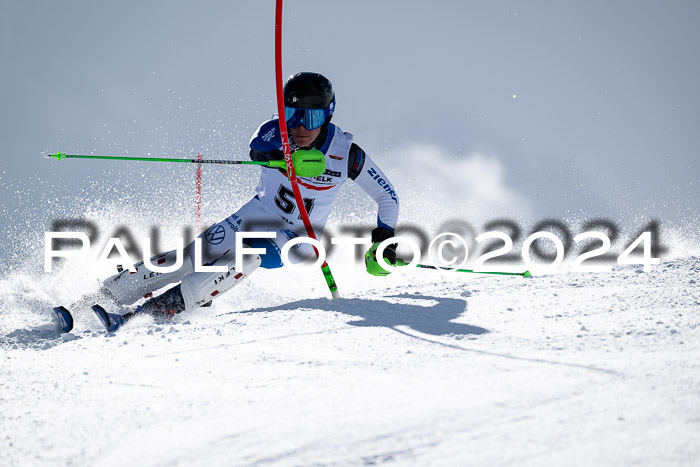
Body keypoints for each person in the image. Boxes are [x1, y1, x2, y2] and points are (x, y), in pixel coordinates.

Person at [92, 72, 400, 330]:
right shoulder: (279, 131)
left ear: (328, 113)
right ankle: (104, 295)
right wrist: (282, 155)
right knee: (194, 255)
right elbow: (256, 147)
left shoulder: (346, 153)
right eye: (293, 115)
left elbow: (387, 196)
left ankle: (146, 316)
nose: (301, 126)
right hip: (257, 213)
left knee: (247, 256)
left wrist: (382, 241)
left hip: (298, 237)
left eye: (312, 116)